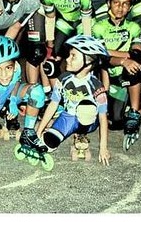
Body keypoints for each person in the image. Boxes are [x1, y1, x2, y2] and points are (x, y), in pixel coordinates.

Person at [0, 36, 46, 176]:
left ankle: (28, 133)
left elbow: (15, 82)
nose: (4, 74)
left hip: (5, 97)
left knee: (37, 92)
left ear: (14, 64)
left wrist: (12, 100)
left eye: (8, 68)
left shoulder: (17, 69)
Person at [91, 0, 141, 143]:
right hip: (111, 78)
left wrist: (113, 54)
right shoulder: (98, 27)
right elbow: (101, 56)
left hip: (128, 75)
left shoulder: (134, 27)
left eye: (125, 4)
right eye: (116, 2)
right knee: (116, 122)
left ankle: (134, 113)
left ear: (130, 7)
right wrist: (124, 60)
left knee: (135, 66)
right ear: (108, 3)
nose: (120, 7)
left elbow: (137, 53)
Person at [38, 35, 111, 165]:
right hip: (68, 118)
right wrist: (39, 131)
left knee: (86, 107)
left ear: (88, 64)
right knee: (47, 144)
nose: (67, 59)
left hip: (88, 121)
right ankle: (57, 127)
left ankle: (81, 134)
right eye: (69, 55)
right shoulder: (63, 79)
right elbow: (53, 104)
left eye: (73, 56)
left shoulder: (96, 86)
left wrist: (103, 148)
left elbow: (102, 117)